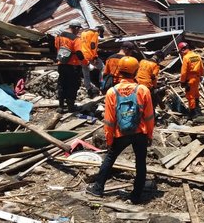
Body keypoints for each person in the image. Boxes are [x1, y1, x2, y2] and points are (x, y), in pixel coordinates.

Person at [86, 56, 154, 204]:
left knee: (110, 158)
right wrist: (149, 134)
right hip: (140, 132)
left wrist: (109, 139)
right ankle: (136, 196)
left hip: (120, 133)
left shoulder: (112, 92)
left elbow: (109, 120)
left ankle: (98, 189)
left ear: (120, 71)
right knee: (140, 162)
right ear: (136, 71)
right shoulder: (143, 90)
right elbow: (149, 116)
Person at [55, 20, 86, 113]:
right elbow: (79, 53)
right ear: (75, 28)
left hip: (61, 64)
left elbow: (57, 47)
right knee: (72, 86)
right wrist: (85, 62)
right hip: (73, 66)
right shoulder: (76, 39)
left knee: (62, 84)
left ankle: (61, 106)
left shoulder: (59, 36)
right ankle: (71, 107)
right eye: (78, 29)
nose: (78, 31)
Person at [179, 42, 204, 119]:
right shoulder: (197, 56)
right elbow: (202, 68)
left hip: (189, 80)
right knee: (196, 93)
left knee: (190, 96)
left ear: (183, 49)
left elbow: (183, 72)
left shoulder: (186, 58)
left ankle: (193, 113)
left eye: (181, 51)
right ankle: (197, 109)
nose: (181, 53)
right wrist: (201, 76)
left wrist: (182, 82)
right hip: (196, 78)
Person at [80, 25, 105, 98]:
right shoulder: (95, 33)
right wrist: (95, 57)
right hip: (90, 56)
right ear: (99, 31)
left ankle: (89, 89)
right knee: (103, 67)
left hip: (83, 56)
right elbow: (93, 45)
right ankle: (102, 84)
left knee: (86, 74)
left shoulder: (83, 33)